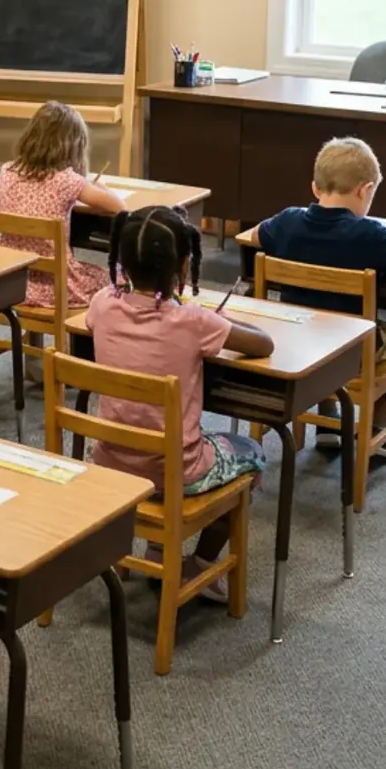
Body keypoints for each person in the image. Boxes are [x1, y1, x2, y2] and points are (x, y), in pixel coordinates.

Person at [86, 206, 275, 600]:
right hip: (176, 473)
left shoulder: (102, 304)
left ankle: (156, 550)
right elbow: (263, 345)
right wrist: (212, 317)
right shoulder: (193, 321)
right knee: (253, 455)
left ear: (120, 260)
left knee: (176, 432)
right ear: (185, 265)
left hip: (111, 461)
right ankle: (199, 566)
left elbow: (98, 324)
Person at [257, 135, 386, 437]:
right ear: (365, 190)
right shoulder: (370, 234)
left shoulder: (287, 220)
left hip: (294, 340)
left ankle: (328, 419)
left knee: (321, 319)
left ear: (315, 187)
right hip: (350, 351)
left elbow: (255, 238)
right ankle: (376, 425)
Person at [0, 101, 125, 312]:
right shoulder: (68, 181)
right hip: (58, 287)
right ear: (73, 146)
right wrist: (99, 185)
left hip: (12, 281)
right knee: (118, 278)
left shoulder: (6, 171)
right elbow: (119, 206)